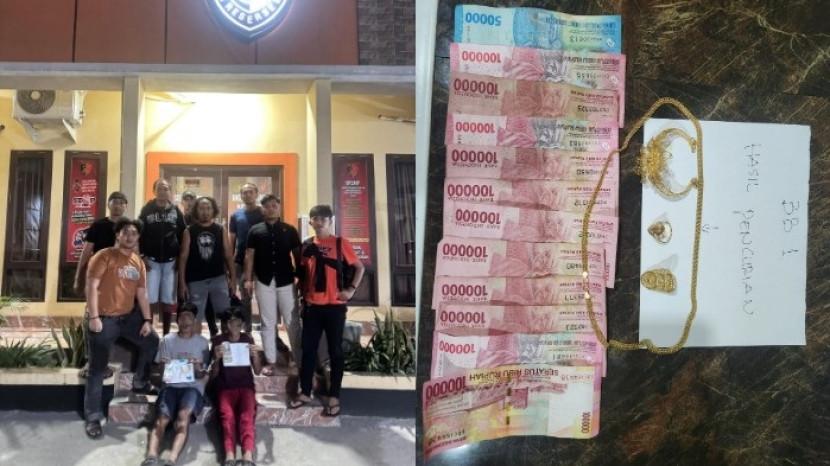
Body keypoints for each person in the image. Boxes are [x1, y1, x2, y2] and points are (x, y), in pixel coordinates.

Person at [84, 218, 159, 439]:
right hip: (104, 319)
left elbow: (142, 293)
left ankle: (140, 382)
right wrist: (94, 316)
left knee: (152, 341)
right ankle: (93, 417)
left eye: (134, 233)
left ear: (138, 237)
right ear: (118, 234)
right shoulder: (104, 256)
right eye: (125, 232)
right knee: (97, 369)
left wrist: (147, 320)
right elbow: (92, 286)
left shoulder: (138, 262)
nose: (129, 236)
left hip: (128, 318)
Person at [290, 205, 364, 417]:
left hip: (334, 307)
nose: (319, 221)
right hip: (312, 307)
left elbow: (359, 267)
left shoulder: (340, 243)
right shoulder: (306, 246)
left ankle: (334, 396)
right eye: (315, 218)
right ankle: (305, 392)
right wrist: (301, 297)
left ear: (330, 221)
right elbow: (303, 275)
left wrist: (350, 289)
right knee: (308, 350)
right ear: (311, 222)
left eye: (323, 218)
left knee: (335, 351)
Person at [143, 303, 211, 466]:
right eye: (182, 317)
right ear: (177, 320)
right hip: (170, 386)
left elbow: (203, 374)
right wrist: (162, 366)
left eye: (189, 317)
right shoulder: (167, 340)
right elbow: (161, 374)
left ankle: (172, 459)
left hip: (192, 388)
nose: (186, 321)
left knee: (183, 416)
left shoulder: (202, 343)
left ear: (195, 321)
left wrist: (198, 368)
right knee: (161, 419)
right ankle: (151, 456)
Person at [243, 194, 302, 376]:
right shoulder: (255, 230)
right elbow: (249, 256)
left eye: (274, 205)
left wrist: (301, 276)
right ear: (263, 209)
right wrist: (248, 279)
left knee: (292, 322)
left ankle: (298, 360)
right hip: (263, 280)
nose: (271, 209)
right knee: (267, 322)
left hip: (286, 280)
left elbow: (297, 255)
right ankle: (271, 361)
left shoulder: (290, 230)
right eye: (267, 206)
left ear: (279, 207)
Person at [210, 308, 263, 466]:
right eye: (232, 321)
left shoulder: (247, 339)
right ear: (227, 324)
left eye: (239, 322)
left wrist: (256, 356)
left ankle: (248, 455)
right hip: (225, 387)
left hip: (246, 386)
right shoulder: (219, 341)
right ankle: (230, 455)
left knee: (247, 416)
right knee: (228, 418)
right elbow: (213, 375)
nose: (236, 325)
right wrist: (216, 359)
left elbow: (258, 370)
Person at [178, 196, 236, 337]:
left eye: (208, 208)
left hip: (218, 278)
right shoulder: (189, 231)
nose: (205, 211)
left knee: (226, 316)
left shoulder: (220, 229)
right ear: (196, 211)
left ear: (213, 210)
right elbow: (183, 258)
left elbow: (228, 255)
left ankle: (224, 346)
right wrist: (182, 283)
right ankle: (196, 348)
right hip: (196, 280)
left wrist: (233, 279)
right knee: (195, 317)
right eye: (201, 208)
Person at [139, 178, 187, 335]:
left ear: (170, 192)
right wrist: (142, 255)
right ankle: (150, 331)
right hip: (151, 261)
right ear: (154, 191)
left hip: (171, 262)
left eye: (166, 189)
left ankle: (166, 333)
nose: (163, 191)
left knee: (168, 299)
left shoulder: (175, 210)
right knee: (150, 298)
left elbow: (183, 234)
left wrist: (180, 257)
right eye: (160, 188)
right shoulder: (147, 210)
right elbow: (139, 233)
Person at [73, 191, 129, 296]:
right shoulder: (98, 225)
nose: (117, 206)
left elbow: (135, 252)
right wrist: (78, 277)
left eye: (121, 203)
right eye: (115, 202)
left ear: (126, 206)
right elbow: (86, 252)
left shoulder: (130, 227)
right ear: (108, 205)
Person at [228, 183, 263, 332]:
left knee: (264, 297)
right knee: (245, 297)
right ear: (241, 196)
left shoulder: (264, 213)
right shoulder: (236, 215)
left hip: (262, 261)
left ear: (256, 194)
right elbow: (232, 240)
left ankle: (268, 330)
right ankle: (247, 330)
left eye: (250, 192)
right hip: (241, 261)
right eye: (244, 192)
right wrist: (229, 261)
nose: (247, 195)